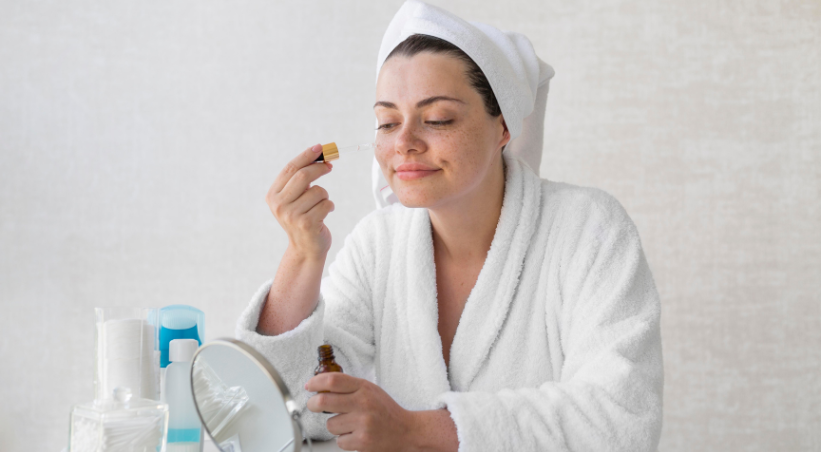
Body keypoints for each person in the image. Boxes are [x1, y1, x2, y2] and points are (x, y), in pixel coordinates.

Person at [236, 1, 663, 451]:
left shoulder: (588, 231)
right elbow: (302, 410)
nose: (404, 143)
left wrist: (414, 431)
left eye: (437, 119)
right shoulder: (378, 244)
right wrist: (302, 253)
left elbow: (622, 419)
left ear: (503, 127)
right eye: (387, 122)